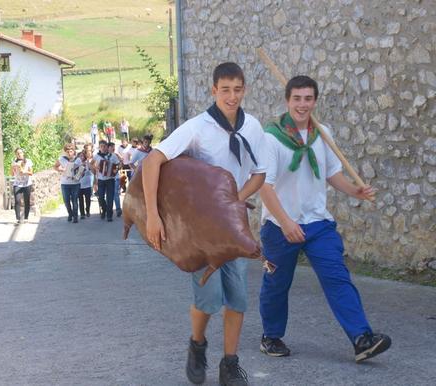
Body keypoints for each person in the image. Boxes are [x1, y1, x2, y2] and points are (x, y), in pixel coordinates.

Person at [142, 62, 267, 386]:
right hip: (201, 234)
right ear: (214, 91)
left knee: (237, 298)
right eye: (225, 90)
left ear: (244, 90)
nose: (231, 96)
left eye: (237, 89)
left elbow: (260, 173)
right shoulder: (197, 127)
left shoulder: (252, 127)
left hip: (235, 229)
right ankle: (197, 344)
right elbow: (154, 159)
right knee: (208, 300)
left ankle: (230, 364)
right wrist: (154, 215)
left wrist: (234, 201)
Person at [258, 75, 391, 363]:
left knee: (337, 278)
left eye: (308, 98)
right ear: (287, 101)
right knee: (277, 284)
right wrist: (286, 222)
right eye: (297, 98)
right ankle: (271, 336)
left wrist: (356, 191)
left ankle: (361, 339)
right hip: (279, 226)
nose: (302, 104)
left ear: (315, 101)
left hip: (318, 223)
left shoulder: (323, 134)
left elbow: (332, 174)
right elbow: (264, 186)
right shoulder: (271, 137)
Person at [91, 140, 120, 222]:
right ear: (99, 147)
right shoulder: (97, 156)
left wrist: (115, 170)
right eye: (101, 146)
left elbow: (119, 164)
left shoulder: (112, 156)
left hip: (110, 179)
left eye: (104, 146)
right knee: (100, 197)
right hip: (100, 180)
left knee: (110, 198)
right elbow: (91, 164)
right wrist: (94, 169)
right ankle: (104, 210)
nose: (103, 148)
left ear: (107, 147)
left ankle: (109, 215)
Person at [54, 143, 82, 223]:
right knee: (66, 201)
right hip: (65, 183)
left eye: (71, 151)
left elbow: (81, 170)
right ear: (65, 152)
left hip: (75, 183)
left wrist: (77, 175)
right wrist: (61, 169)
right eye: (68, 152)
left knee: (74, 200)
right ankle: (70, 214)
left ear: (74, 151)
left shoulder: (78, 160)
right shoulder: (61, 159)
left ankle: (75, 217)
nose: (69, 153)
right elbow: (55, 166)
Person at [11, 148, 33, 224]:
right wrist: (14, 168)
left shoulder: (28, 161)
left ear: (23, 153)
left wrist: (24, 171)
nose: (19, 154)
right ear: (16, 154)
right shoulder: (14, 162)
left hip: (27, 184)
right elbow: (12, 174)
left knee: (26, 201)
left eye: (20, 153)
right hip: (17, 184)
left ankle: (26, 218)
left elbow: (31, 173)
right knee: (17, 201)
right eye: (17, 153)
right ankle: (18, 219)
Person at [78, 145, 93, 219]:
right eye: (80, 156)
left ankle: (87, 210)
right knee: (80, 200)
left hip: (87, 185)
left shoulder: (87, 163)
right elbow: (77, 176)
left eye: (82, 156)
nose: (81, 157)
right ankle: (82, 214)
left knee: (88, 200)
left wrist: (87, 162)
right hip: (79, 185)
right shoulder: (77, 165)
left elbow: (92, 170)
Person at [108, 142, 123, 217]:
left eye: (114, 147)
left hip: (115, 177)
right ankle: (108, 209)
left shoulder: (114, 155)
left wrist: (117, 169)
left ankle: (118, 209)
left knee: (115, 193)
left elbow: (119, 164)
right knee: (108, 194)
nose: (113, 149)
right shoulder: (104, 156)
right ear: (108, 147)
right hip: (106, 178)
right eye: (112, 147)